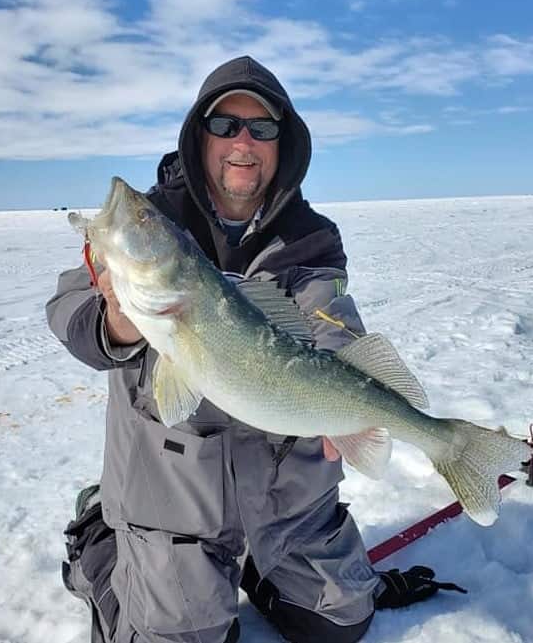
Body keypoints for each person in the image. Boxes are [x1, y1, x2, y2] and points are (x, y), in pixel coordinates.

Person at [47, 56, 459, 643]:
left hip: (276, 488)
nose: (243, 141)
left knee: (339, 622)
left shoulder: (309, 234)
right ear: (199, 135)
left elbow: (330, 320)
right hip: (173, 489)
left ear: (282, 143)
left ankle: (255, 565)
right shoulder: (156, 219)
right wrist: (114, 321)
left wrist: (345, 398)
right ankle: (102, 547)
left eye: (261, 128)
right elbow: (67, 308)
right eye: (225, 125)